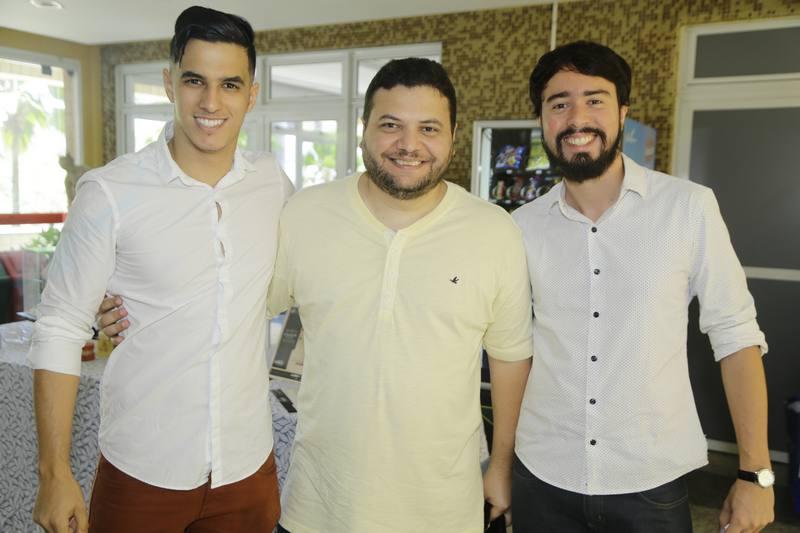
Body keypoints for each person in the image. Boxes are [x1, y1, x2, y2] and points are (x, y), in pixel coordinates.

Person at [29, 6, 290, 533]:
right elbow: (59, 325)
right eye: (195, 81)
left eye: (230, 84)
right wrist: (54, 473)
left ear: (252, 95)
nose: (211, 102)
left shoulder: (272, 183)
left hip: (246, 467)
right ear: (170, 83)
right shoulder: (109, 192)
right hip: (143, 468)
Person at [510, 40, 773, 533]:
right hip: (542, 476)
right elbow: (511, 350)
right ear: (542, 119)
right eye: (559, 104)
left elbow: (737, 336)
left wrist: (755, 474)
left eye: (595, 100)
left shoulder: (688, 208)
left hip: (649, 481)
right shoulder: (521, 226)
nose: (577, 118)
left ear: (623, 112)